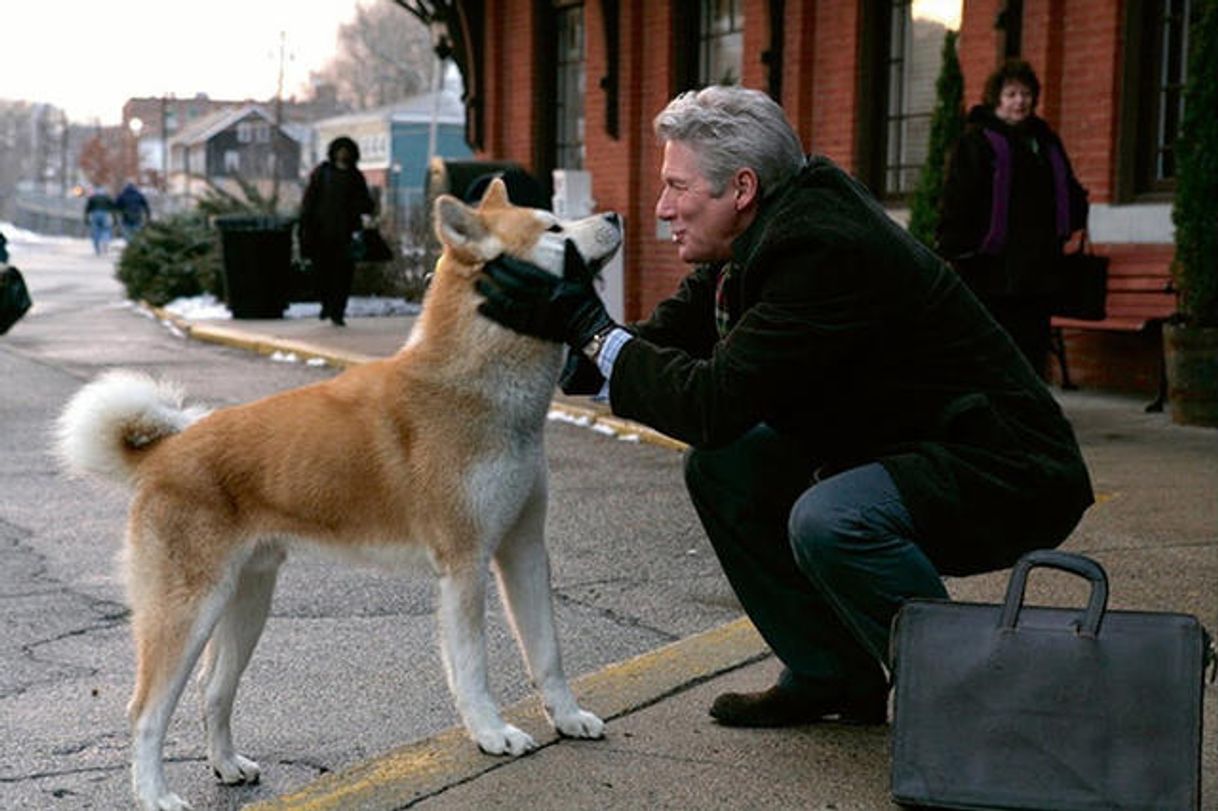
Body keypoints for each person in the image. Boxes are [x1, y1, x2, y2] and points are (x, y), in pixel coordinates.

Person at [475, 85, 1094, 727]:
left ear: (740, 188)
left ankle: (974, 707)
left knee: (831, 520)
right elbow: (660, 341)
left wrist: (589, 327)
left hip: (1005, 468)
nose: (662, 209)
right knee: (724, 465)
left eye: (678, 188)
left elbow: (710, 402)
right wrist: (559, 334)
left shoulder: (822, 249)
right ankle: (833, 674)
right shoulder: (762, 230)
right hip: (912, 444)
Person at [936, 59, 1089, 378]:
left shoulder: (1045, 142)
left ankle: (1030, 408)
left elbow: (1069, 189)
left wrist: (1074, 215)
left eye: (1026, 94)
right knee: (994, 346)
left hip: (1040, 268)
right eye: (1011, 94)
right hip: (991, 270)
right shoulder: (978, 142)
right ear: (997, 100)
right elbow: (958, 198)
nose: (1020, 101)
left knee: (1033, 347)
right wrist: (955, 247)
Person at [299, 135, 375, 326]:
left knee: (343, 276)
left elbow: (367, 203)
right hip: (321, 234)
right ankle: (326, 304)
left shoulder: (356, 176)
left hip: (346, 235)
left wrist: (359, 208)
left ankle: (338, 311)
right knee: (322, 273)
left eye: (346, 151)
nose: (343, 154)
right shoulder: (322, 173)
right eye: (340, 150)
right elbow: (309, 201)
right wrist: (305, 226)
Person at [83, 186, 116, 256]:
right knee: (106, 229)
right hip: (105, 214)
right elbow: (113, 208)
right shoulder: (107, 198)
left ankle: (97, 249)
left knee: (95, 231)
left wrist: (86, 219)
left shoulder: (92, 198)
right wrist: (114, 219)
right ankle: (105, 241)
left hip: (95, 214)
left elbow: (87, 209)